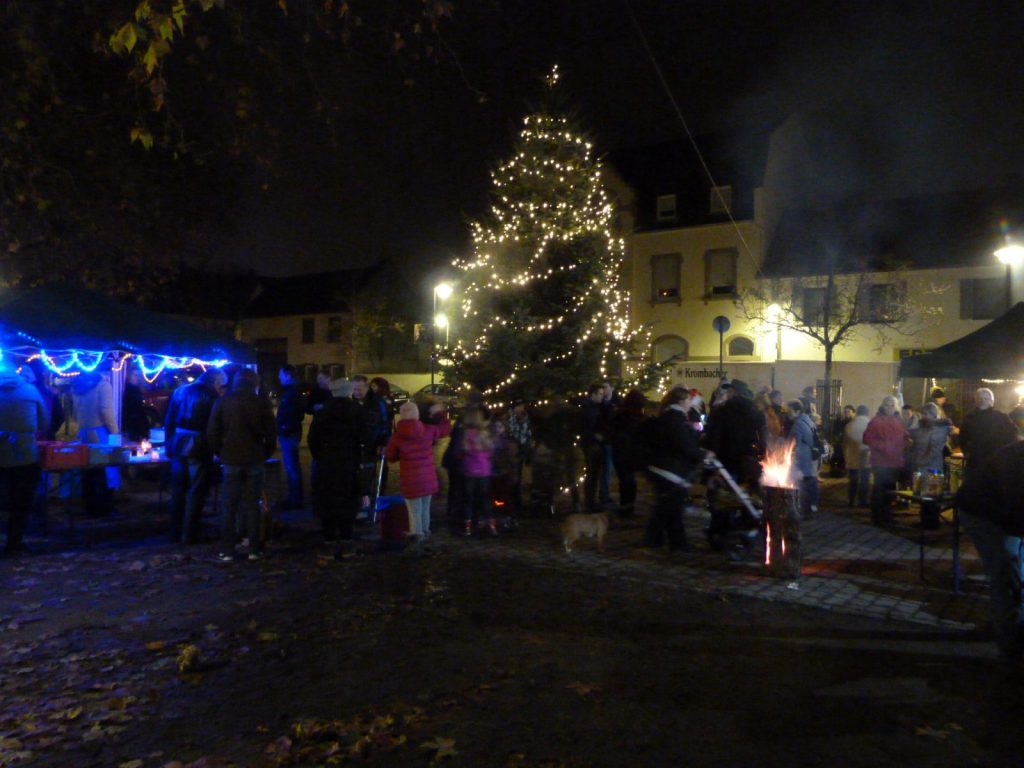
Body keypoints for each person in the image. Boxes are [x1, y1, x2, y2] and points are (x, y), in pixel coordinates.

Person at [960, 439, 1024, 660]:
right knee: (1007, 574)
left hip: (1005, 513)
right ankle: (1010, 644)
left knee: (1018, 572)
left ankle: (1011, 626)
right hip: (984, 514)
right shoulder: (1019, 461)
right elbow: (1016, 507)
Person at [207, 369, 277, 562]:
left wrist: (221, 453)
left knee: (229, 505)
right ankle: (254, 548)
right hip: (254, 459)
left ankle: (227, 549)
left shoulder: (222, 401)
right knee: (253, 504)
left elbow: (212, 432)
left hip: (230, 460)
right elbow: (271, 433)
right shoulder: (261, 403)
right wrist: (264, 453)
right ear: (254, 383)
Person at [308, 379, 373, 549]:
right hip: (350, 460)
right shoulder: (357, 411)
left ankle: (329, 535)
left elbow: (312, 439)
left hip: (327, 461)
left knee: (328, 498)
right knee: (348, 498)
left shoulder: (323, 412)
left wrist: (319, 455)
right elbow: (366, 436)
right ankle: (346, 535)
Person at [165, 368, 226, 543]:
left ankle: (175, 531)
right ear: (215, 382)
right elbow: (214, 427)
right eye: (221, 385)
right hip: (199, 444)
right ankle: (190, 533)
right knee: (196, 489)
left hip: (179, 442)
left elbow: (168, 419)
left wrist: (169, 442)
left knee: (178, 489)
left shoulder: (180, 391)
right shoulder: (211, 397)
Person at [646, 386, 708, 554]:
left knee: (665, 507)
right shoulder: (675, 419)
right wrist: (702, 454)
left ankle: (654, 538)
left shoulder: (672, 417)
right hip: (669, 470)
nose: (691, 403)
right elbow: (684, 445)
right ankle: (676, 544)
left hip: (665, 468)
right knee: (673, 508)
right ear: (681, 401)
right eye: (689, 400)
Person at [385, 400, 451, 545]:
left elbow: (390, 456)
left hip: (410, 480)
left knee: (414, 510)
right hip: (427, 478)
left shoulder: (397, 437)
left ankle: (416, 536)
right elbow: (445, 430)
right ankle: (425, 531)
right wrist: (440, 413)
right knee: (425, 508)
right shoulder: (428, 430)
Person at [0, 358, 48, 557]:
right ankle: (14, 543)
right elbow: (43, 421)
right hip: (25, 453)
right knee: (22, 501)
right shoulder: (30, 390)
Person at [72, 365, 120, 518]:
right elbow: (106, 410)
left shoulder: (77, 385)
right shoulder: (103, 385)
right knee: (107, 470)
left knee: (88, 472)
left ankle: (90, 507)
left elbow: (74, 414)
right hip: (100, 433)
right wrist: (115, 432)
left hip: (83, 433)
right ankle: (105, 508)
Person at [703, 379, 766, 488]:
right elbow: (762, 432)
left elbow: (715, 435)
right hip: (748, 455)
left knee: (727, 490)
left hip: (727, 456)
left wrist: (712, 451)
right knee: (745, 491)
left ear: (733, 392)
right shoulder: (754, 410)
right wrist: (762, 450)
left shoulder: (722, 410)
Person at [862, 395, 908, 526]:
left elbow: (904, 436)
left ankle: (886, 515)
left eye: (893, 405)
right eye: (888, 405)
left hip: (895, 461)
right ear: (883, 406)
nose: (890, 408)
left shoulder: (898, 421)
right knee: (879, 490)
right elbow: (867, 439)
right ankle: (878, 517)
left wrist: (907, 441)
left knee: (890, 491)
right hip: (881, 462)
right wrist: (885, 447)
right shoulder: (875, 421)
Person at [958, 388, 1018, 482]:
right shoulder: (1001, 418)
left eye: (984, 399)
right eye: (981, 398)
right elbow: (1013, 436)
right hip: (994, 461)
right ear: (992, 402)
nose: (983, 401)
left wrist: (967, 452)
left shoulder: (969, 418)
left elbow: (962, 439)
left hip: (978, 461)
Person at [609, 388, 647, 516]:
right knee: (629, 481)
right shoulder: (637, 417)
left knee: (625, 480)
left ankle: (626, 505)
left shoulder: (620, 414)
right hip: (628, 453)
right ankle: (627, 506)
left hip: (620, 452)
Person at [459, 407, 496, 536]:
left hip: (469, 470)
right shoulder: (484, 433)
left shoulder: (466, 433)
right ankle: (491, 525)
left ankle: (468, 527)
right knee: (485, 498)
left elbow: (464, 450)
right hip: (484, 470)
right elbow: (491, 450)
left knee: (468, 499)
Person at [276, 365, 306, 511]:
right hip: (290, 432)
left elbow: (294, 414)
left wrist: (283, 428)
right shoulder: (292, 391)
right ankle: (294, 498)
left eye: (280, 374)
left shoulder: (292, 393)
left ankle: (295, 500)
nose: (279, 377)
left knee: (292, 467)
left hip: (289, 433)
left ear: (288, 375)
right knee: (292, 466)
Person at [787, 400, 819, 519]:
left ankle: (806, 510)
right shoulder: (808, 420)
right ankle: (812, 507)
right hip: (807, 458)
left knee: (804, 484)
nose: (788, 414)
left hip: (802, 458)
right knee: (810, 482)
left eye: (790, 411)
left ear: (797, 410)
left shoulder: (799, 423)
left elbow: (796, 442)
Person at [580, 383, 608, 513]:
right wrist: (595, 436)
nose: (603, 397)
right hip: (590, 445)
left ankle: (591, 501)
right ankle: (590, 502)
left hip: (594, 444)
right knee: (592, 474)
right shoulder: (588, 408)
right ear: (593, 394)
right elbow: (585, 428)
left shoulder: (595, 407)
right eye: (601, 394)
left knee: (594, 475)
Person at [505, 400, 533, 514]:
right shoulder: (510, 418)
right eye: (519, 406)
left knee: (518, 475)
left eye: (522, 406)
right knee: (513, 476)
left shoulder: (526, 418)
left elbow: (528, 434)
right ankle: (512, 500)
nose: (521, 408)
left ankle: (516, 500)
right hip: (512, 450)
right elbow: (511, 432)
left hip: (522, 450)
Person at [909, 402, 952, 474]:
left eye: (925, 414)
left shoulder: (940, 428)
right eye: (923, 413)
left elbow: (934, 450)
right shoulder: (924, 427)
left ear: (933, 415)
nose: (923, 416)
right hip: (921, 467)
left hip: (933, 468)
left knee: (932, 484)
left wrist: (919, 461)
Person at [843, 405, 871, 507]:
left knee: (853, 480)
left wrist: (846, 455)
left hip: (852, 455)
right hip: (866, 455)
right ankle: (862, 501)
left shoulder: (850, 425)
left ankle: (851, 500)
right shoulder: (870, 424)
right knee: (864, 479)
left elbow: (845, 442)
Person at [121, 367, 150, 442]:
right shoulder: (129, 390)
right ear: (129, 376)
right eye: (135, 375)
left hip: (137, 424)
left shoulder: (136, 390)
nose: (137, 377)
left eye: (138, 375)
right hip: (132, 424)